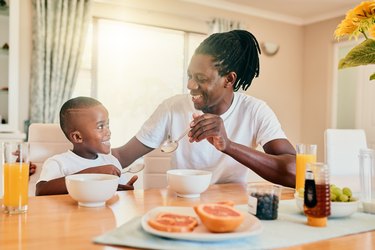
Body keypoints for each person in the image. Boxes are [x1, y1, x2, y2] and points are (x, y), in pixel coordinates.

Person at [112, 29, 296, 188]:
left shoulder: (255, 111)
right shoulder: (172, 108)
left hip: (232, 207)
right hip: (181, 202)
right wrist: (91, 167)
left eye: (201, 78)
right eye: (190, 76)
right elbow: (121, 155)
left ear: (229, 79)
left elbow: (296, 171)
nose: (190, 85)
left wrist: (229, 146)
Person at [35, 96, 138, 196]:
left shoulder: (111, 161)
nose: (108, 132)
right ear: (77, 137)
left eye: (107, 125)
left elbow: (119, 195)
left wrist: (125, 191)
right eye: (100, 126)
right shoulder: (58, 163)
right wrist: (94, 173)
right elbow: (41, 190)